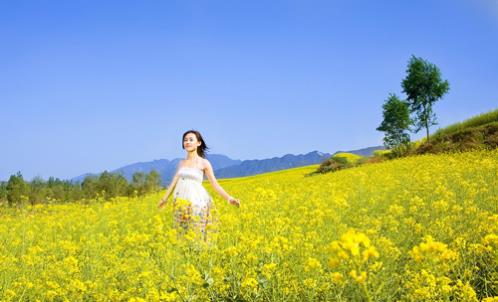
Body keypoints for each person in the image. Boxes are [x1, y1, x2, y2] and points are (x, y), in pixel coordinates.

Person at [157, 130, 240, 241]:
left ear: (199, 143)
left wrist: (229, 199)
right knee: (181, 235)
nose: (187, 142)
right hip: (180, 202)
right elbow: (174, 182)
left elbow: (215, 185)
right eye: (185, 140)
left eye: (191, 140)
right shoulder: (181, 163)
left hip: (197, 202)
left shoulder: (204, 163)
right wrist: (164, 199)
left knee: (196, 233)